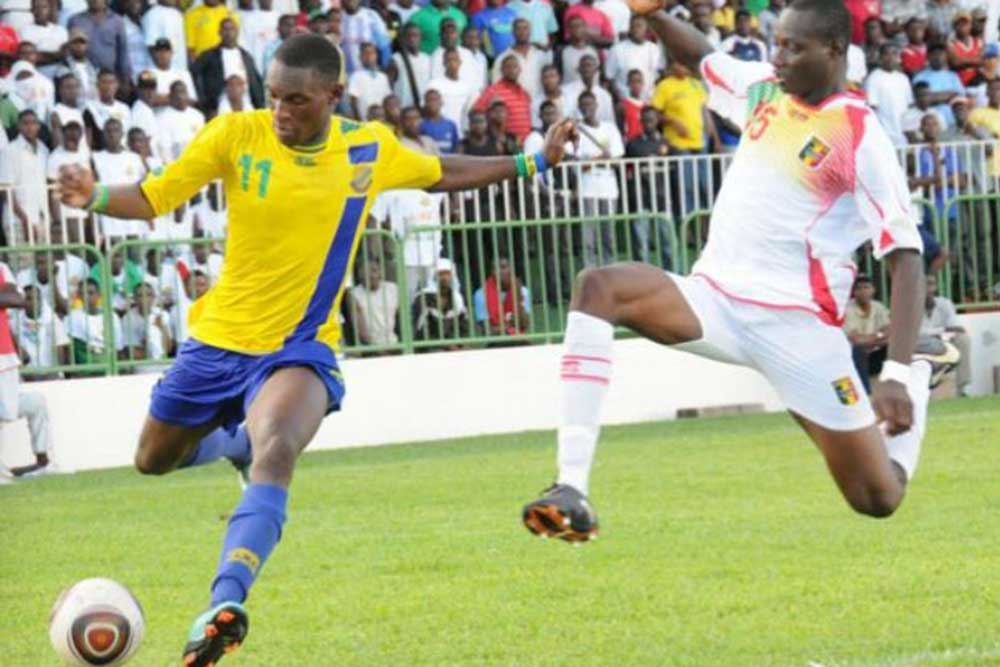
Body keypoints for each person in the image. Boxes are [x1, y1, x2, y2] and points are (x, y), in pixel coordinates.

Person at [56, 32, 576, 666]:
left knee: (278, 448)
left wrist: (532, 162)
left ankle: (223, 604)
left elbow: (441, 173)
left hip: (298, 347)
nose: (281, 112)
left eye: (296, 101)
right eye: (273, 97)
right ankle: (234, 444)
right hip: (216, 342)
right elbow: (154, 197)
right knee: (153, 460)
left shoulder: (366, 147)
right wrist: (96, 196)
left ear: (333, 95)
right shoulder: (234, 135)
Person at [521, 0, 961, 545]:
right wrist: (654, 14)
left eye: (794, 48)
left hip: (798, 329)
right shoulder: (763, 90)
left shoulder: (859, 133)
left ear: (833, 51)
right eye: (778, 44)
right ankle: (571, 488)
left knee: (877, 498)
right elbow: (702, 56)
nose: (779, 57)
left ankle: (919, 367)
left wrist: (893, 374)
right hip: (716, 300)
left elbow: (905, 254)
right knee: (599, 287)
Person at [573, 90, 625, 267]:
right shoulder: (577, 132)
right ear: (579, 107)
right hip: (587, 188)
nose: (587, 108)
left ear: (596, 105)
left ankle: (610, 270)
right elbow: (578, 164)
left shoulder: (610, 129)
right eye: (583, 105)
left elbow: (616, 161)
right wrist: (600, 158)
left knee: (608, 234)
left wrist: (596, 160)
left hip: (609, 188)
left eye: (590, 104)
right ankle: (590, 272)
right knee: (588, 237)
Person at [191, 18, 265, 118]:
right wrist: (204, 102)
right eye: (225, 29)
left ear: (237, 32)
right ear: (219, 32)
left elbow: (256, 82)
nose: (229, 33)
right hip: (220, 104)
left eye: (232, 29)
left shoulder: (246, 56)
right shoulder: (209, 55)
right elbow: (194, 75)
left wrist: (259, 104)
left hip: (245, 101)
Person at [0, 110, 50, 245]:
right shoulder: (9, 151)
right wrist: (24, 219)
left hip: (42, 218)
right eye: (25, 123)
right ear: (19, 126)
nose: (30, 127)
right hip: (17, 221)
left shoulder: (44, 150)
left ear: (39, 126)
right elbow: (5, 190)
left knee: (44, 258)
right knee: (22, 258)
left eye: (33, 123)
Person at [919, 273, 971, 395]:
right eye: (924, 285)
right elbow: (918, 332)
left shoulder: (944, 303)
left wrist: (939, 333)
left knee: (963, 339)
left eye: (931, 284)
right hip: (921, 343)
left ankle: (961, 389)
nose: (928, 288)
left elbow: (956, 328)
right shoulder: (909, 305)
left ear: (935, 287)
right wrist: (942, 330)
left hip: (942, 340)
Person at [844, 274, 892, 393]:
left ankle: (898, 386)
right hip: (854, 358)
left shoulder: (878, 307)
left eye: (866, 287)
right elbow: (856, 340)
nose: (863, 291)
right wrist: (879, 336)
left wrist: (873, 339)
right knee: (858, 350)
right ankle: (867, 393)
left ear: (873, 290)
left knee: (896, 345)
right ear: (853, 292)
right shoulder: (847, 309)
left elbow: (890, 331)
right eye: (859, 288)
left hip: (874, 354)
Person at [67, 0, 132, 85]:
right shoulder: (75, 21)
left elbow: (123, 51)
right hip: (82, 78)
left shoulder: (117, 21)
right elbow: (69, 51)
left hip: (109, 79)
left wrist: (125, 79)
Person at [411, 257, 469, 349]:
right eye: (441, 274)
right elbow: (418, 330)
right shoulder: (423, 298)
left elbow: (463, 328)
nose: (444, 278)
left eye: (447, 273)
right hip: (427, 348)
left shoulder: (457, 298)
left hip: (452, 347)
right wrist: (445, 346)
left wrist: (458, 345)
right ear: (434, 276)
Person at [473, 53, 532, 142]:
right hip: (504, 144)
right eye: (508, 67)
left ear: (520, 70)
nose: (512, 70)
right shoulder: (493, 90)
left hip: (524, 144)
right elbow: (476, 112)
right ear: (501, 70)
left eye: (515, 67)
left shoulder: (524, 93)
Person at [865, 43, 913, 146]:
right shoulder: (873, 78)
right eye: (886, 54)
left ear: (899, 58)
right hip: (884, 135)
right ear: (880, 58)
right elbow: (872, 108)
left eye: (894, 54)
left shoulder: (903, 78)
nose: (890, 58)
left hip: (903, 134)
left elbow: (909, 106)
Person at [605, 14, 662, 99]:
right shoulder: (617, 49)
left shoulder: (654, 49)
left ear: (646, 28)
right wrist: (619, 99)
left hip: (649, 100)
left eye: (639, 26)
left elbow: (659, 75)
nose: (636, 29)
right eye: (633, 26)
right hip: (625, 100)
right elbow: (609, 78)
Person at [473, 255, 531, 336]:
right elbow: (485, 330)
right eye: (495, 268)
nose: (499, 271)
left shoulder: (523, 291)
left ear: (511, 269)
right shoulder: (480, 294)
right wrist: (509, 326)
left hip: (518, 338)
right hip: (495, 341)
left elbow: (525, 325)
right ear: (492, 272)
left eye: (503, 267)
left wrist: (518, 298)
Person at [348, 260, 400, 348]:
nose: (371, 275)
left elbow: (402, 318)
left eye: (374, 270)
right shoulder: (354, 294)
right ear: (360, 275)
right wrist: (377, 349)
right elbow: (361, 331)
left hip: (394, 342)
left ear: (380, 272)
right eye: (366, 272)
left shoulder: (392, 289)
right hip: (369, 347)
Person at [426, 47, 475, 132]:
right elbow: (426, 111)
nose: (452, 63)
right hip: (438, 132)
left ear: (460, 62)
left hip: (459, 133)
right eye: (448, 60)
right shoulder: (434, 85)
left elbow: (468, 112)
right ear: (443, 63)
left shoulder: (466, 87)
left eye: (455, 60)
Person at [84, 68, 132, 150]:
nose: (108, 86)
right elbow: (88, 140)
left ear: (117, 85)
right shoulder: (90, 108)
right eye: (104, 82)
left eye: (111, 82)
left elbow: (129, 134)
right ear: (97, 85)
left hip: (125, 152)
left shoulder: (125, 108)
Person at [388, 23, 431, 109]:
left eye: (415, 36)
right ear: (403, 39)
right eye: (408, 36)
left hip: (423, 108)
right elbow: (389, 86)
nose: (412, 39)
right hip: (403, 108)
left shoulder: (427, 58)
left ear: (421, 38)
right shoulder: (396, 59)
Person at [347, 42, 391, 121]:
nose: (369, 56)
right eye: (366, 53)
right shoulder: (356, 76)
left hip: (381, 119)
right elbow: (353, 101)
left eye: (372, 53)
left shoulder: (383, 77)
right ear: (360, 57)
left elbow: (387, 99)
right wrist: (359, 120)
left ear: (376, 56)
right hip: (364, 119)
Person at [143, 0, 187, 71]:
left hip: (180, 70)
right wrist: (165, 73)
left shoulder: (177, 14)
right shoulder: (153, 15)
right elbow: (152, 46)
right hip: (162, 72)